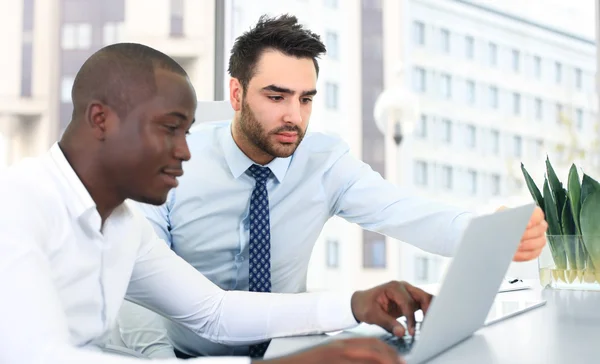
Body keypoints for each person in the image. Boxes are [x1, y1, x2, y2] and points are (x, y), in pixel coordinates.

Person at [118, 14, 548, 359]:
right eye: (276, 96)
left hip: (289, 349)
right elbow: (139, 291)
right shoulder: (170, 163)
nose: (294, 116)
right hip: (186, 356)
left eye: (306, 99)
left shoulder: (324, 161)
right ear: (236, 93)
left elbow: (404, 211)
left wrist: (485, 230)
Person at [0, 42, 443, 364]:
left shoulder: (121, 225)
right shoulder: (19, 204)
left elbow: (215, 311)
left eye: (187, 131)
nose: (186, 151)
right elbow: (40, 356)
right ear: (102, 119)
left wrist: (354, 305)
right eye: (170, 129)